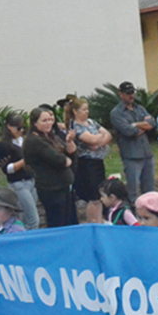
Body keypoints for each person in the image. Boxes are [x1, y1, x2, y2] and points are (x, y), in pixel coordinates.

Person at [25, 106, 78, 229]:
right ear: (34, 123)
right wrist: (66, 160)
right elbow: (59, 161)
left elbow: (72, 154)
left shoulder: (51, 136)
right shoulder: (34, 141)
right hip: (51, 188)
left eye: (50, 120)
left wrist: (69, 142)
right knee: (58, 223)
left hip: (64, 185)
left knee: (69, 220)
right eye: (44, 121)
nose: (49, 123)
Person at [66, 96, 112, 224]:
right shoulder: (75, 126)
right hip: (87, 165)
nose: (87, 112)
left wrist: (99, 141)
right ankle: (93, 222)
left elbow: (107, 135)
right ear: (75, 111)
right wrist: (98, 139)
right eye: (83, 110)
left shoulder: (91, 122)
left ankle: (99, 221)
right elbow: (91, 141)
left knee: (100, 195)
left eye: (87, 109)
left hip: (98, 162)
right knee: (94, 198)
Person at [110, 82, 157, 199]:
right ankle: (134, 216)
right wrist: (144, 126)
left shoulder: (140, 108)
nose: (131, 96)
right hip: (132, 156)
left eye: (132, 92)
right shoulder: (116, 113)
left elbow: (153, 123)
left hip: (147, 154)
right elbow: (129, 131)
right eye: (128, 93)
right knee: (133, 192)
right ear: (121, 94)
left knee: (150, 191)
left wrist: (135, 124)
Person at [0, 113, 39, 230]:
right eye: (18, 128)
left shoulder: (23, 141)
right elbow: (7, 169)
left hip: (30, 181)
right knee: (33, 219)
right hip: (18, 183)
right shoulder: (4, 145)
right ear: (9, 127)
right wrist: (24, 161)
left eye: (23, 128)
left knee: (24, 217)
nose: (21, 131)